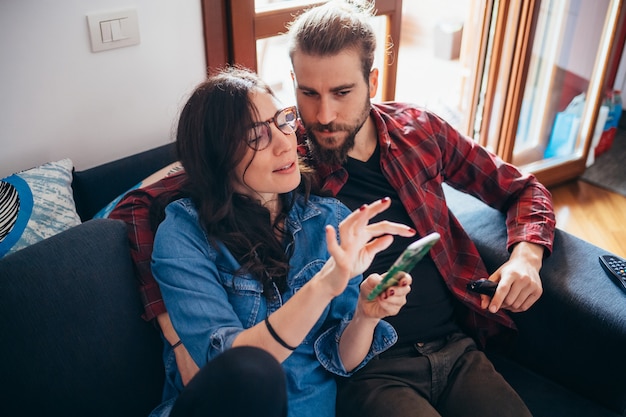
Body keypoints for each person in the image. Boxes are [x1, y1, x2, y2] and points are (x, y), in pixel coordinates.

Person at [283, 1, 556, 416]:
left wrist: (526, 258)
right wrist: (169, 328)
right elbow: (152, 201)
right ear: (294, 83)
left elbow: (523, 189)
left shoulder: (420, 130)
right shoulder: (280, 154)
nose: (324, 115)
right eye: (308, 93)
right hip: (370, 366)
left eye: (341, 92)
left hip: (458, 347)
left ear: (372, 81)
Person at [144, 66, 416, 417]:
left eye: (283, 121)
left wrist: (365, 314)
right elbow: (236, 370)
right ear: (218, 156)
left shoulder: (327, 219)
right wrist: (322, 286)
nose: (284, 141)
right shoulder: (184, 233)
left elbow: (341, 360)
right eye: (257, 135)